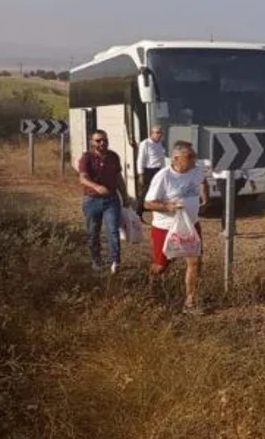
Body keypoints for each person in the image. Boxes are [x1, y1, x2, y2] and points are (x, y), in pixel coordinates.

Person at [143, 140, 209, 313]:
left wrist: (205, 199)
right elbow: (148, 204)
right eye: (190, 156)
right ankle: (150, 290)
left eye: (194, 155)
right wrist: (167, 207)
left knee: (194, 262)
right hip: (166, 227)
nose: (194, 159)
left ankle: (190, 303)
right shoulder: (163, 176)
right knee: (161, 266)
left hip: (190, 225)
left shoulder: (195, 170)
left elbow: (203, 181)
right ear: (177, 158)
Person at [78, 129, 128, 273]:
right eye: (98, 140)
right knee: (93, 231)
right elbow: (82, 178)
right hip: (92, 200)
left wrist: (124, 196)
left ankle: (115, 261)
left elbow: (119, 178)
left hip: (111, 200)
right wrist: (96, 187)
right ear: (92, 142)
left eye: (104, 140)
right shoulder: (87, 158)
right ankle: (96, 260)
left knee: (113, 230)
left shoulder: (113, 156)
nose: (102, 143)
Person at [136, 125, 167, 217]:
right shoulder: (145, 144)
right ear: (151, 134)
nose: (159, 135)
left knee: (159, 191)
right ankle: (138, 213)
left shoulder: (160, 143)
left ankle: (158, 212)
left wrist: (164, 170)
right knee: (145, 192)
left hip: (159, 170)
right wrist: (141, 174)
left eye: (160, 133)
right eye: (157, 133)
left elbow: (161, 158)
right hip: (149, 170)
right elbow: (141, 159)